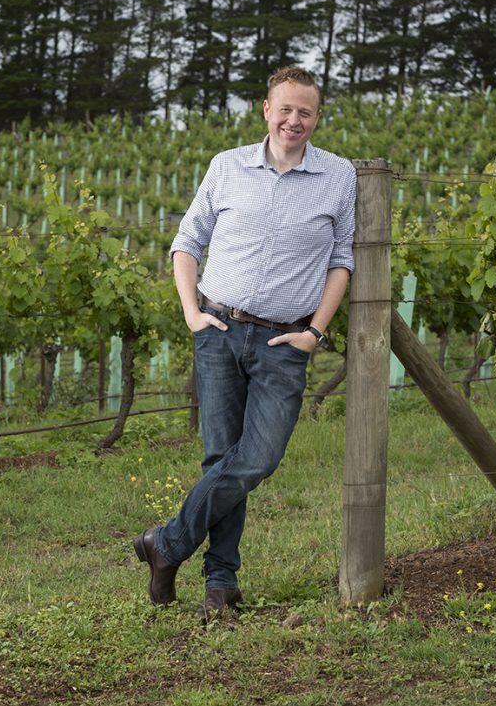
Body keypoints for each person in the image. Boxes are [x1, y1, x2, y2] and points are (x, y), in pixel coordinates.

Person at [133, 65, 356, 615]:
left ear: (318, 117)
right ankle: (220, 584)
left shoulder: (339, 176)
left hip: (286, 341)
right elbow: (188, 242)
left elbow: (341, 260)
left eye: (305, 111)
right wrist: (191, 312)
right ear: (266, 110)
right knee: (221, 458)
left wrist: (315, 332)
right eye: (285, 109)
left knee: (256, 459)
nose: (293, 120)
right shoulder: (227, 166)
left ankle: (166, 544)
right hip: (220, 328)